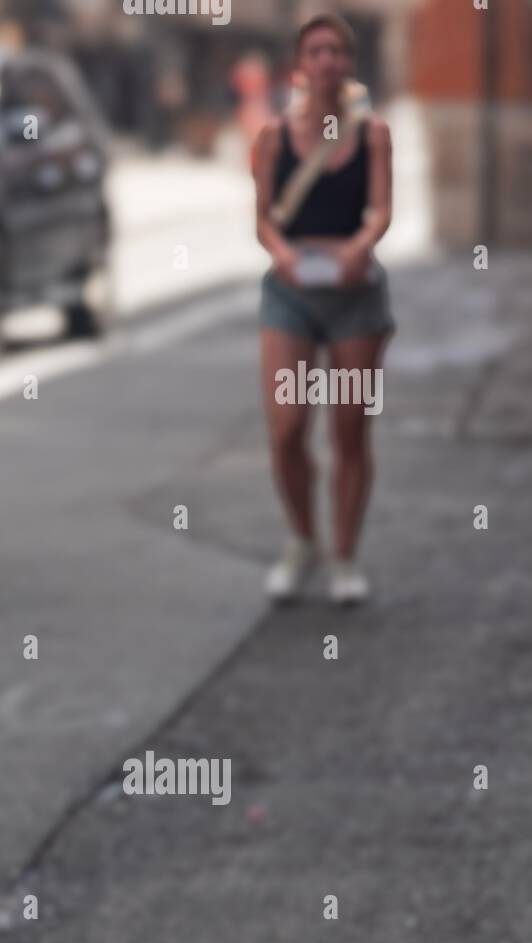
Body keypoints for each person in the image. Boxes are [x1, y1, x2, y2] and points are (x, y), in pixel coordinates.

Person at [252, 13, 393, 604]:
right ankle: (301, 538)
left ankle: (345, 556)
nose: (328, 59)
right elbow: (262, 217)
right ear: (300, 66)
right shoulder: (272, 137)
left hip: (356, 298)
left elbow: (381, 210)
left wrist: (361, 248)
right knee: (287, 429)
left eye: (338, 50)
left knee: (350, 431)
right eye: (317, 50)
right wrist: (282, 254)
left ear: (348, 64)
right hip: (290, 296)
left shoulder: (372, 134)